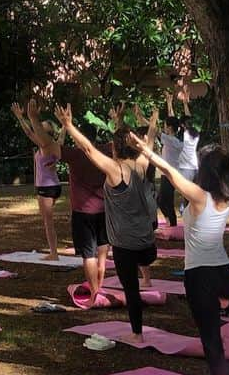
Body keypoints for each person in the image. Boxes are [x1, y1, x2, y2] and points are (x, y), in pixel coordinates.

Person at [128, 110, 229, 375]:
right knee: (226, 307)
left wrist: (147, 152)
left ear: (205, 172)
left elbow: (171, 172)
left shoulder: (199, 196)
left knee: (209, 333)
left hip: (199, 274)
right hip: (224, 271)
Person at [56, 103, 159, 341]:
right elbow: (150, 142)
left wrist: (69, 125)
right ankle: (137, 329)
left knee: (131, 290)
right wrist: (153, 123)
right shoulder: (143, 166)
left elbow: (89, 150)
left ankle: (137, 335)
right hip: (147, 245)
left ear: (114, 148)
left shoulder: (115, 170)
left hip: (126, 245)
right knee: (137, 274)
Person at [27, 98, 110, 305]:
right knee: (101, 254)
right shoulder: (107, 151)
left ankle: (93, 294)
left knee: (89, 256)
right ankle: (98, 290)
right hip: (105, 211)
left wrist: (33, 118)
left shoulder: (75, 155)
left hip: (83, 213)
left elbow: (46, 143)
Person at [11, 101, 64, 260]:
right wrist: (65, 124)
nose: (39, 127)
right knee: (48, 220)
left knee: (48, 223)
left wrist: (20, 118)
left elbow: (29, 132)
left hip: (46, 187)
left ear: (46, 132)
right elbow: (62, 135)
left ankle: (53, 254)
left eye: (42, 126)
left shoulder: (44, 144)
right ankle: (53, 251)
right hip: (53, 185)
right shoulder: (56, 144)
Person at [157, 90, 200, 233]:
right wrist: (172, 103)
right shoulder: (185, 135)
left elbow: (180, 121)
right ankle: (182, 220)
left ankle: (187, 222)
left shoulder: (182, 137)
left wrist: (181, 103)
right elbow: (175, 121)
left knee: (186, 198)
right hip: (185, 167)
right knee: (182, 197)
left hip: (186, 168)